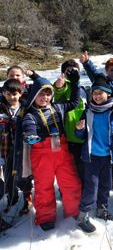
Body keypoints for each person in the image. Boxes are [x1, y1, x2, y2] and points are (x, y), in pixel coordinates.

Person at [20, 73, 82, 231]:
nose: (45, 97)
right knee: (44, 187)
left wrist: (75, 83)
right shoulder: (30, 115)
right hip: (42, 154)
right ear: (34, 94)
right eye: (41, 93)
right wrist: (30, 135)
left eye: (48, 94)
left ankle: (73, 211)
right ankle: (46, 216)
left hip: (62, 151)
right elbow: (28, 128)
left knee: (71, 183)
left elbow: (74, 102)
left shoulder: (58, 107)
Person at [75, 73, 113, 234]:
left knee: (106, 185)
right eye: (95, 93)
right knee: (91, 187)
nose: (97, 96)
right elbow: (81, 136)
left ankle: (101, 210)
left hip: (108, 156)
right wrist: (80, 129)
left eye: (100, 93)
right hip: (92, 157)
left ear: (108, 94)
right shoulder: (88, 111)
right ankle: (82, 216)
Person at [79, 51, 113, 189]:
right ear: (107, 71)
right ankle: (110, 177)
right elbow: (93, 74)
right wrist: (87, 63)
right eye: (112, 70)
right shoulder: (104, 81)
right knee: (110, 152)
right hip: (106, 118)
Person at [0, 79, 32, 216]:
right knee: (8, 178)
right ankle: (12, 200)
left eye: (15, 94)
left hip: (23, 150)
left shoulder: (25, 109)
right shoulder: (1, 109)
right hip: (6, 150)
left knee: (24, 177)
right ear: (3, 93)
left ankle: (27, 200)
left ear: (21, 93)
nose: (12, 97)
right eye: (9, 94)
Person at [53, 59, 86, 187]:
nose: (72, 74)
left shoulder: (82, 88)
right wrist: (58, 86)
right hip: (69, 135)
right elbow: (57, 94)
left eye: (75, 71)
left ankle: (82, 189)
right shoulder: (64, 86)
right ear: (63, 74)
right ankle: (66, 190)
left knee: (81, 166)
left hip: (82, 134)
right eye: (69, 71)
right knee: (68, 167)